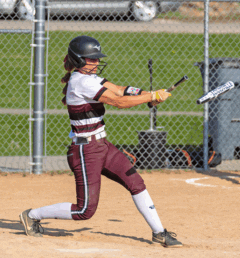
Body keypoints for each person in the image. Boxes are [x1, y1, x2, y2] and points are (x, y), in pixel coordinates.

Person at [19, 35, 182, 248]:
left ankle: (159, 232)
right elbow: (119, 101)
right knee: (84, 210)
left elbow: (121, 90)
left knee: (136, 183)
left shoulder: (91, 78)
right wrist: (150, 98)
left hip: (102, 145)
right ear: (78, 60)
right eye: (91, 59)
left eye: (97, 58)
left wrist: (149, 93)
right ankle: (31, 215)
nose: (96, 62)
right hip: (85, 150)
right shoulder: (80, 82)